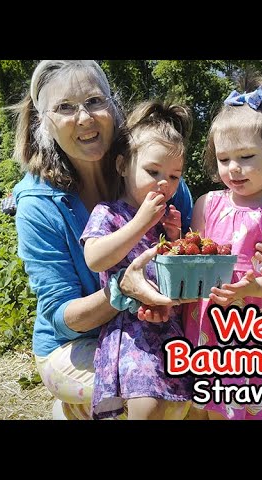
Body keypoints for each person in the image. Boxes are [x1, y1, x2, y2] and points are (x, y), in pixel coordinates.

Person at [11, 60, 262, 420]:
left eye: (94, 101)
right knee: (150, 388)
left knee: (194, 388)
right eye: (65, 107)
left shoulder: (158, 175)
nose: (84, 118)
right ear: (43, 123)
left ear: (113, 107)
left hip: (156, 326)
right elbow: (64, 318)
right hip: (76, 341)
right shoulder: (38, 203)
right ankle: (76, 410)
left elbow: (196, 251)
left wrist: (260, 260)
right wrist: (123, 292)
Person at [183, 76, 262, 420]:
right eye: (223, 159)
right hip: (203, 330)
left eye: (246, 156)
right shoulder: (206, 204)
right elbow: (191, 259)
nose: (233, 168)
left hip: (253, 334)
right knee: (198, 409)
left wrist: (256, 286)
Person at [80, 100, 194, 420]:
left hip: (167, 323)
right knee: (147, 401)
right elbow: (96, 258)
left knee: (178, 401)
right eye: (153, 171)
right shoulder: (109, 213)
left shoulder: (164, 217)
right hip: (129, 328)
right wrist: (140, 223)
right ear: (122, 166)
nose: (164, 184)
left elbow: (174, 270)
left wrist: (174, 238)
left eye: (174, 176)